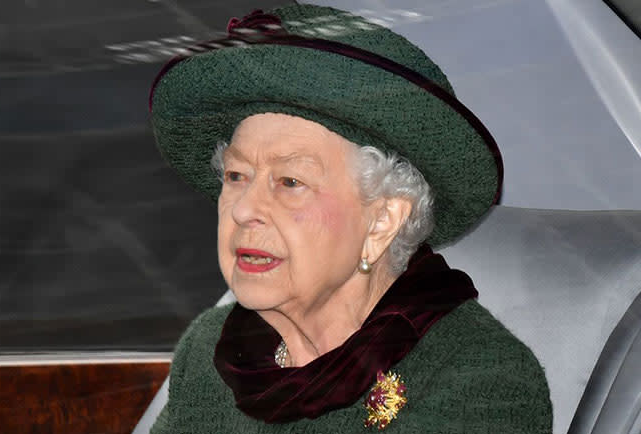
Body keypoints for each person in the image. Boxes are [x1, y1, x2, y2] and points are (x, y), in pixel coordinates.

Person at [146, 4, 552, 433]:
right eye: (236, 175)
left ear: (381, 221)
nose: (243, 208)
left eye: (289, 181)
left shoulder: (479, 381)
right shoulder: (211, 350)